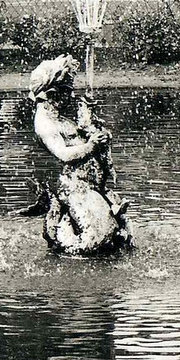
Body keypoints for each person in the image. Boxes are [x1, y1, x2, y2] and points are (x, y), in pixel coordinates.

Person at [27, 54, 133, 255]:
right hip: (76, 189)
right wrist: (92, 145)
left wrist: (93, 126)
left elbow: (80, 137)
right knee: (95, 239)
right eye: (67, 91)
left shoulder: (58, 117)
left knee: (121, 236)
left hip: (91, 185)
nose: (71, 96)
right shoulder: (44, 123)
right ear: (51, 93)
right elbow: (63, 154)